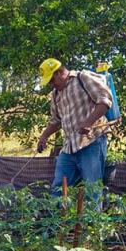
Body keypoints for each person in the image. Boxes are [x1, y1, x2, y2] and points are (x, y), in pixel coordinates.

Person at [36, 59, 112, 198]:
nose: (51, 85)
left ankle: (92, 220)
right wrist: (44, 136)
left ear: (59, 73)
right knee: (58, 187)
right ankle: (56, 219)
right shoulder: (55, 94)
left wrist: (88, 122)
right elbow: (56, 120)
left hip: (91, 142)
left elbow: (105, 101)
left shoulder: (82, 78)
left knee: (92, 189)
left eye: (52, 80)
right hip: (69, 147)